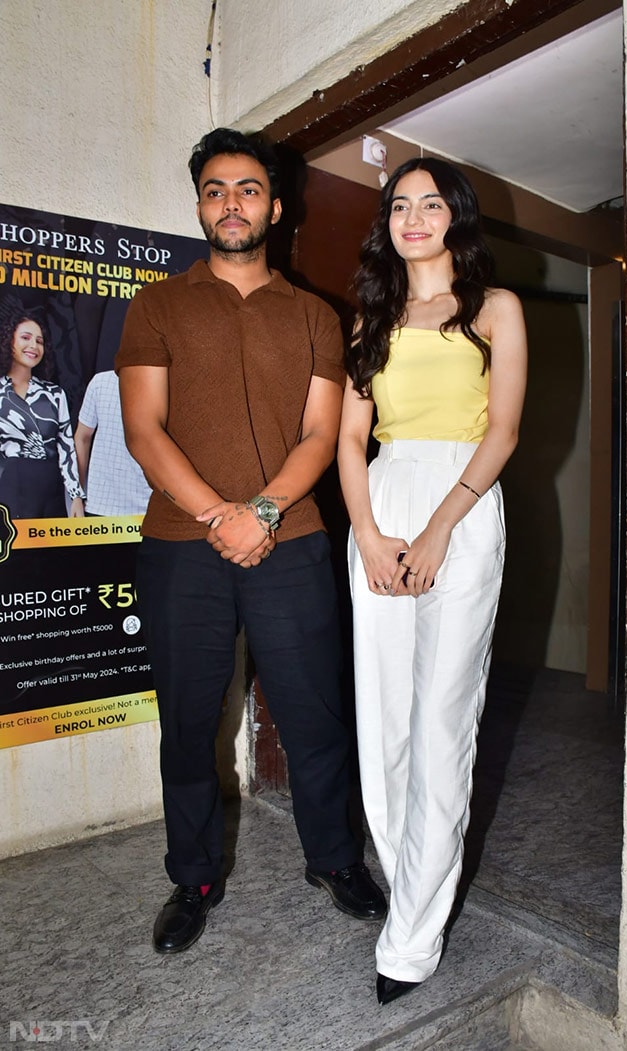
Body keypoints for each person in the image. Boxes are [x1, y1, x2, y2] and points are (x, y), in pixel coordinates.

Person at [115, 128, 386, 956]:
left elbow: (319, 432)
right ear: (200, 204)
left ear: (276, 203)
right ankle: (193, 877)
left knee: (314, 716)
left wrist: (261, 513)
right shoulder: (158, 305)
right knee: (189, 724)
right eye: (214, 189)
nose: (231, 203)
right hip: (179, 545)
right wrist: (218, 516)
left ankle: (334, 859)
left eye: (247, 189)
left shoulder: (314, 316)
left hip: (293, 540)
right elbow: (143, 430)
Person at [338, 157, 527, 1004]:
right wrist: (371, 536)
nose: (415, 215)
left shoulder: (496, 308)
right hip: (380, 502)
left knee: (444, 717)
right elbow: (350, 438)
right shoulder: (368, 315)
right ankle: (405, 881)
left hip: (463, 504)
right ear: (389, 221)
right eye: (400, 203)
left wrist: (440, 527)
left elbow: (507, 430)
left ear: (456, 215)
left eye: (431, 202)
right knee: (384, 720)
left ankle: (411, 935)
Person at [0, 305, 84, 519]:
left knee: (49, 552)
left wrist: (75, 496)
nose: (33, 346)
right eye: (26, 338)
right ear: (10, 340)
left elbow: (66, 446)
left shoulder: (54, 394)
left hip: (50, 491)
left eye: (39, 341)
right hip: (7, 488)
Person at [75, 370, 151, 516]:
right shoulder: (100, 382)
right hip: (101, 506)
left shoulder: (168, 386)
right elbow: (82, 437)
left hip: (152, 508)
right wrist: (77, 495)